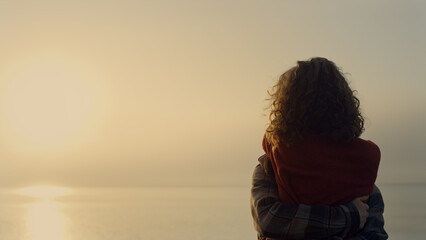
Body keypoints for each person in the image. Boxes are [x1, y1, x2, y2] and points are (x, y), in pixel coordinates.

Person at [262, 57, 381, 206]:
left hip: (296, 229)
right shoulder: (369, 154)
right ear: (345, 101)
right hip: (353, 228)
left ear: (288, 105)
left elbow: (270, 135)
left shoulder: (281, 147)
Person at [251, 155, 388, 240]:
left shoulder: (362, 183)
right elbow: (269, 219)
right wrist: (349, 216)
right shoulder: (270, 168)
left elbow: (375, 235)